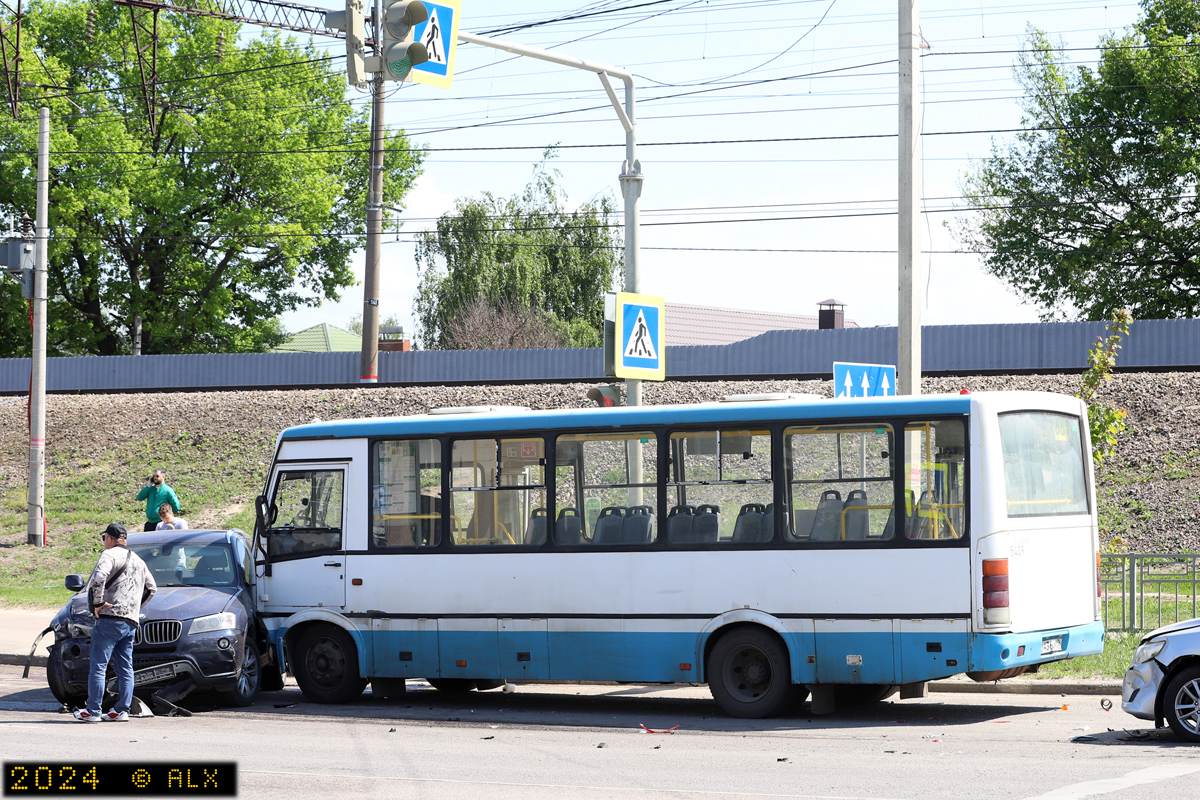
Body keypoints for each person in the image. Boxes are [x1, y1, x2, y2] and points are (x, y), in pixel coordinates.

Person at [73, 524, 157, 722]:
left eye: (104, 538)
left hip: (109, 618)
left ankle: (93, 711)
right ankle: (122, 711)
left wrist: (98, 603)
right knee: (125, 668)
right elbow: (151, 588)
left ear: (110, 539)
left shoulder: (108, 555)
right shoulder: (139, 560)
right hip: (130, 622)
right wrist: (135, 608)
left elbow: (98, 578)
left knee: (99, 666)